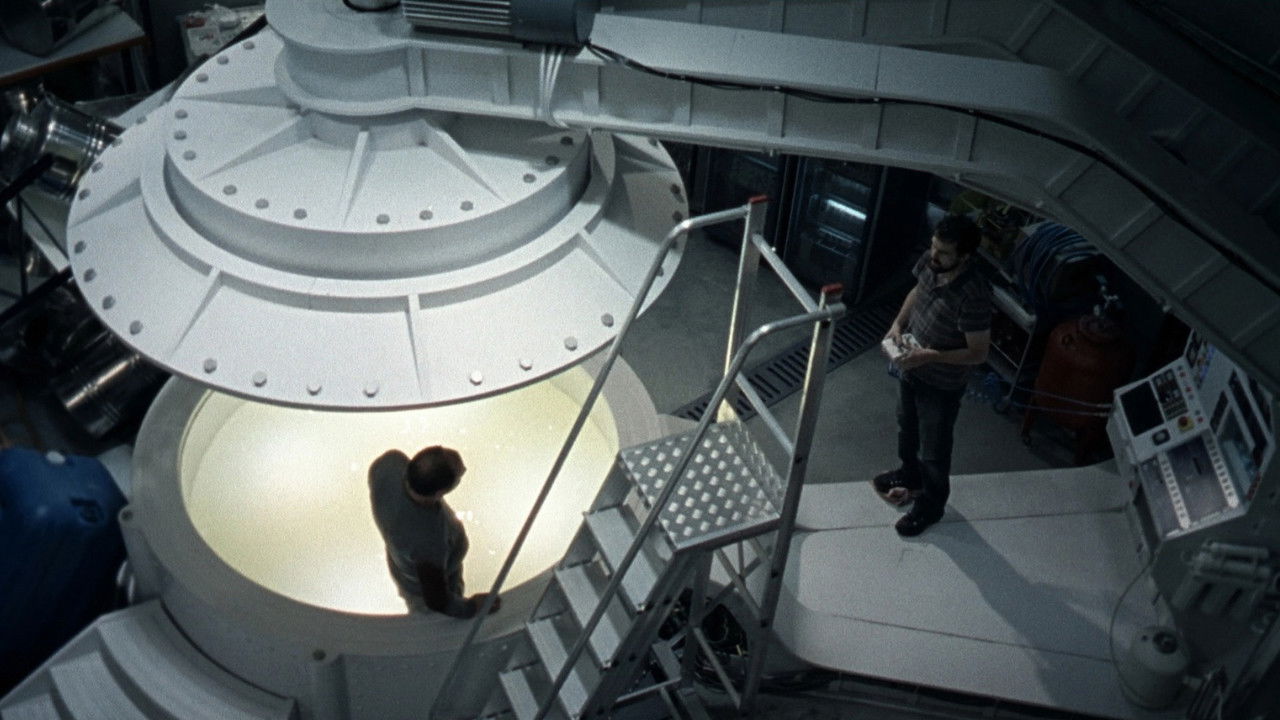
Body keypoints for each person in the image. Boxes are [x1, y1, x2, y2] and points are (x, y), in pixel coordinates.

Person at [875, 214, 992, 537]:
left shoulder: (974, 294)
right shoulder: (932, 264)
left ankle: (931, 505)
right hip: (913, 369)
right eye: (933, 247)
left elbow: (978, 352)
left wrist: (931, 356)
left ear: (964, 256)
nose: (933, 256)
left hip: (941, 384)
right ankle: (910, 474)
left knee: (935, 450)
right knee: (907, 427)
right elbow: (918, 290)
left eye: (943, 252)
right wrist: (898, 324)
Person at [368, 446, 499, 617]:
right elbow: (437, 600)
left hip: (402, 564)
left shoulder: (390, 464)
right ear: (440, 493)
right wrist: (471, 607)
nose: (464, 468)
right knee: (439, 620)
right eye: (459, 475)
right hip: (422, 588)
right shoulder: (428, 542)